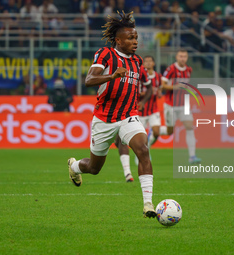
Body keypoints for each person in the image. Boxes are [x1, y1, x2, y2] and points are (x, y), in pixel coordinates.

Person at [67, 11, 157, 218]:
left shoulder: (137, 61)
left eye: (136, 38)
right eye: (130, 38)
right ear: (118, 40)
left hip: (128, 116)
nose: (135, 41)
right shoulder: (106, 54)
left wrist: (141, 100)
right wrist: (112, 75)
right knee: (94, 167)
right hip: (104, 119)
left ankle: (148, 204)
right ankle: (74, 166)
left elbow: (139, 85)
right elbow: (89, 80)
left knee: (143, 150)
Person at [161, 49, 201, 164]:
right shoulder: (170, 69)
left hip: (184, 105)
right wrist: (175, 87)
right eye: (180, 56)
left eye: (184, 56)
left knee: (189, 127)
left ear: (187, 58)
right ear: (176, 57)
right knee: (169, 132)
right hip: (170, 105)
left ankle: (192, 156)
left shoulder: (189, 70)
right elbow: (162, 86)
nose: (182, 58)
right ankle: (155, 132)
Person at [114, 64, 152, 183]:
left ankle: (127, 173)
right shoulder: (115, 64)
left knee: (123, 141)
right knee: (118, 141)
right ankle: (128, 171)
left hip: (132, 110)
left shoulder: (139, 66)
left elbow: (150, 87)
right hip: (114, 109)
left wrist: (143, 101)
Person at [134, 55, 162, 165]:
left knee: (156, 132)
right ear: (143, 64)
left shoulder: (158, 77)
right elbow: (136, 92)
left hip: (153, 110)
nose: (148, 63)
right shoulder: (140, 76)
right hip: (141, 111)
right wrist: (143, 94)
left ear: (154, 63)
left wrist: (159, 92)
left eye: (150, 61)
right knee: (141, 138)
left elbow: (159, 88)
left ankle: (147, 148)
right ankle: (140, 155)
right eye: (146, 61)